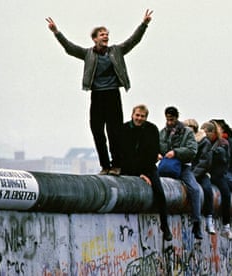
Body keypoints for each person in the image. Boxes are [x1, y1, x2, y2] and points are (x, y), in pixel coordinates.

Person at [46, 10, 153, 175]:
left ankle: (116, 164)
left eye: (107, 34)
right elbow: (70, 48)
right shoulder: (88, 54)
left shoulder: (116, 51)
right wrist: (56, 32)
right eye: (102, 34)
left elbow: (133, 41)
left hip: (112, 94)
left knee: (114, 131)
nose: (105, 37)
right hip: (97, 95)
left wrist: (144, 24)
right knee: (97, 130)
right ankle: (105, 165)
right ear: (95, 38)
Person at [120, 104, 172, 241]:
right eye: (137, 115)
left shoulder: (151, 129)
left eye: (142, 116)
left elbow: (152, 153)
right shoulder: (124, 129)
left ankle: (165, 226)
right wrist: (138, 174)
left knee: (160, 193)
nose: (139, 118)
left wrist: (145, 172)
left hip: (148, 166)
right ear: (132, 115)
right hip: (128, 167)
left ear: (146, 117)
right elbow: (124, 154)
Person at [159, 106, 203, 239]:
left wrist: (177, 153)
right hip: (166, 165)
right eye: (168, 119)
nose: (170, 122)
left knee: (194, 190)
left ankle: (196, 223)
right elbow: (158, 147)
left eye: (172, 119)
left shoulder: (187, 132)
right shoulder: (162, 132)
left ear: (176, 118)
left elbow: (192, 150)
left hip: (183, 167)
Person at [201, 121, 232, 239]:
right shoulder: (202, 142)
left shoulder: (222, 143)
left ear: (212, 132)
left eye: (206, 133)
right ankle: (209, 220)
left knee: (226, 193)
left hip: (218, 174)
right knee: (207, 190)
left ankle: (226, 226)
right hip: (205, 173)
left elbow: (225, 160)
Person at [183, 119, 216, 236]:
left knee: (207, 190)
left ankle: (208, 218)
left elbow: (204, 162)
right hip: (185, 170)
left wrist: (194, 175)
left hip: (200, 173)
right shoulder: (182, 140)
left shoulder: (204, 142)